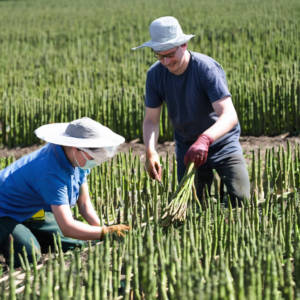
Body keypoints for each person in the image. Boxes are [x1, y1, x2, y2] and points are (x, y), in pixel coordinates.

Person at [132, 16, 250, 206]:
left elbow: (229, 116)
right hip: (187, 146)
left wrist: (205, 139)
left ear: (184, 45)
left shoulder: (205, 69)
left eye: (170, 54)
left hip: (222, 143)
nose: (166, 62)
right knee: (191, 206)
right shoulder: (155, 75)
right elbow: (151, 120)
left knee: (242, 199)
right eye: (159, 56)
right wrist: (150, 151)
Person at [0, 117, 130, 268]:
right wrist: (105, 232)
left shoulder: (75, 159)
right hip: (4, 212)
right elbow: (67, 227)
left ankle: (25, 232)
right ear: (76, 148)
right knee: (29, 255)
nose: (95, 162)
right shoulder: (50, 172)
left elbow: (85, 204)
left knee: (78, 241)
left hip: (29, 210)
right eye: (94, 157)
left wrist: (101, 230)